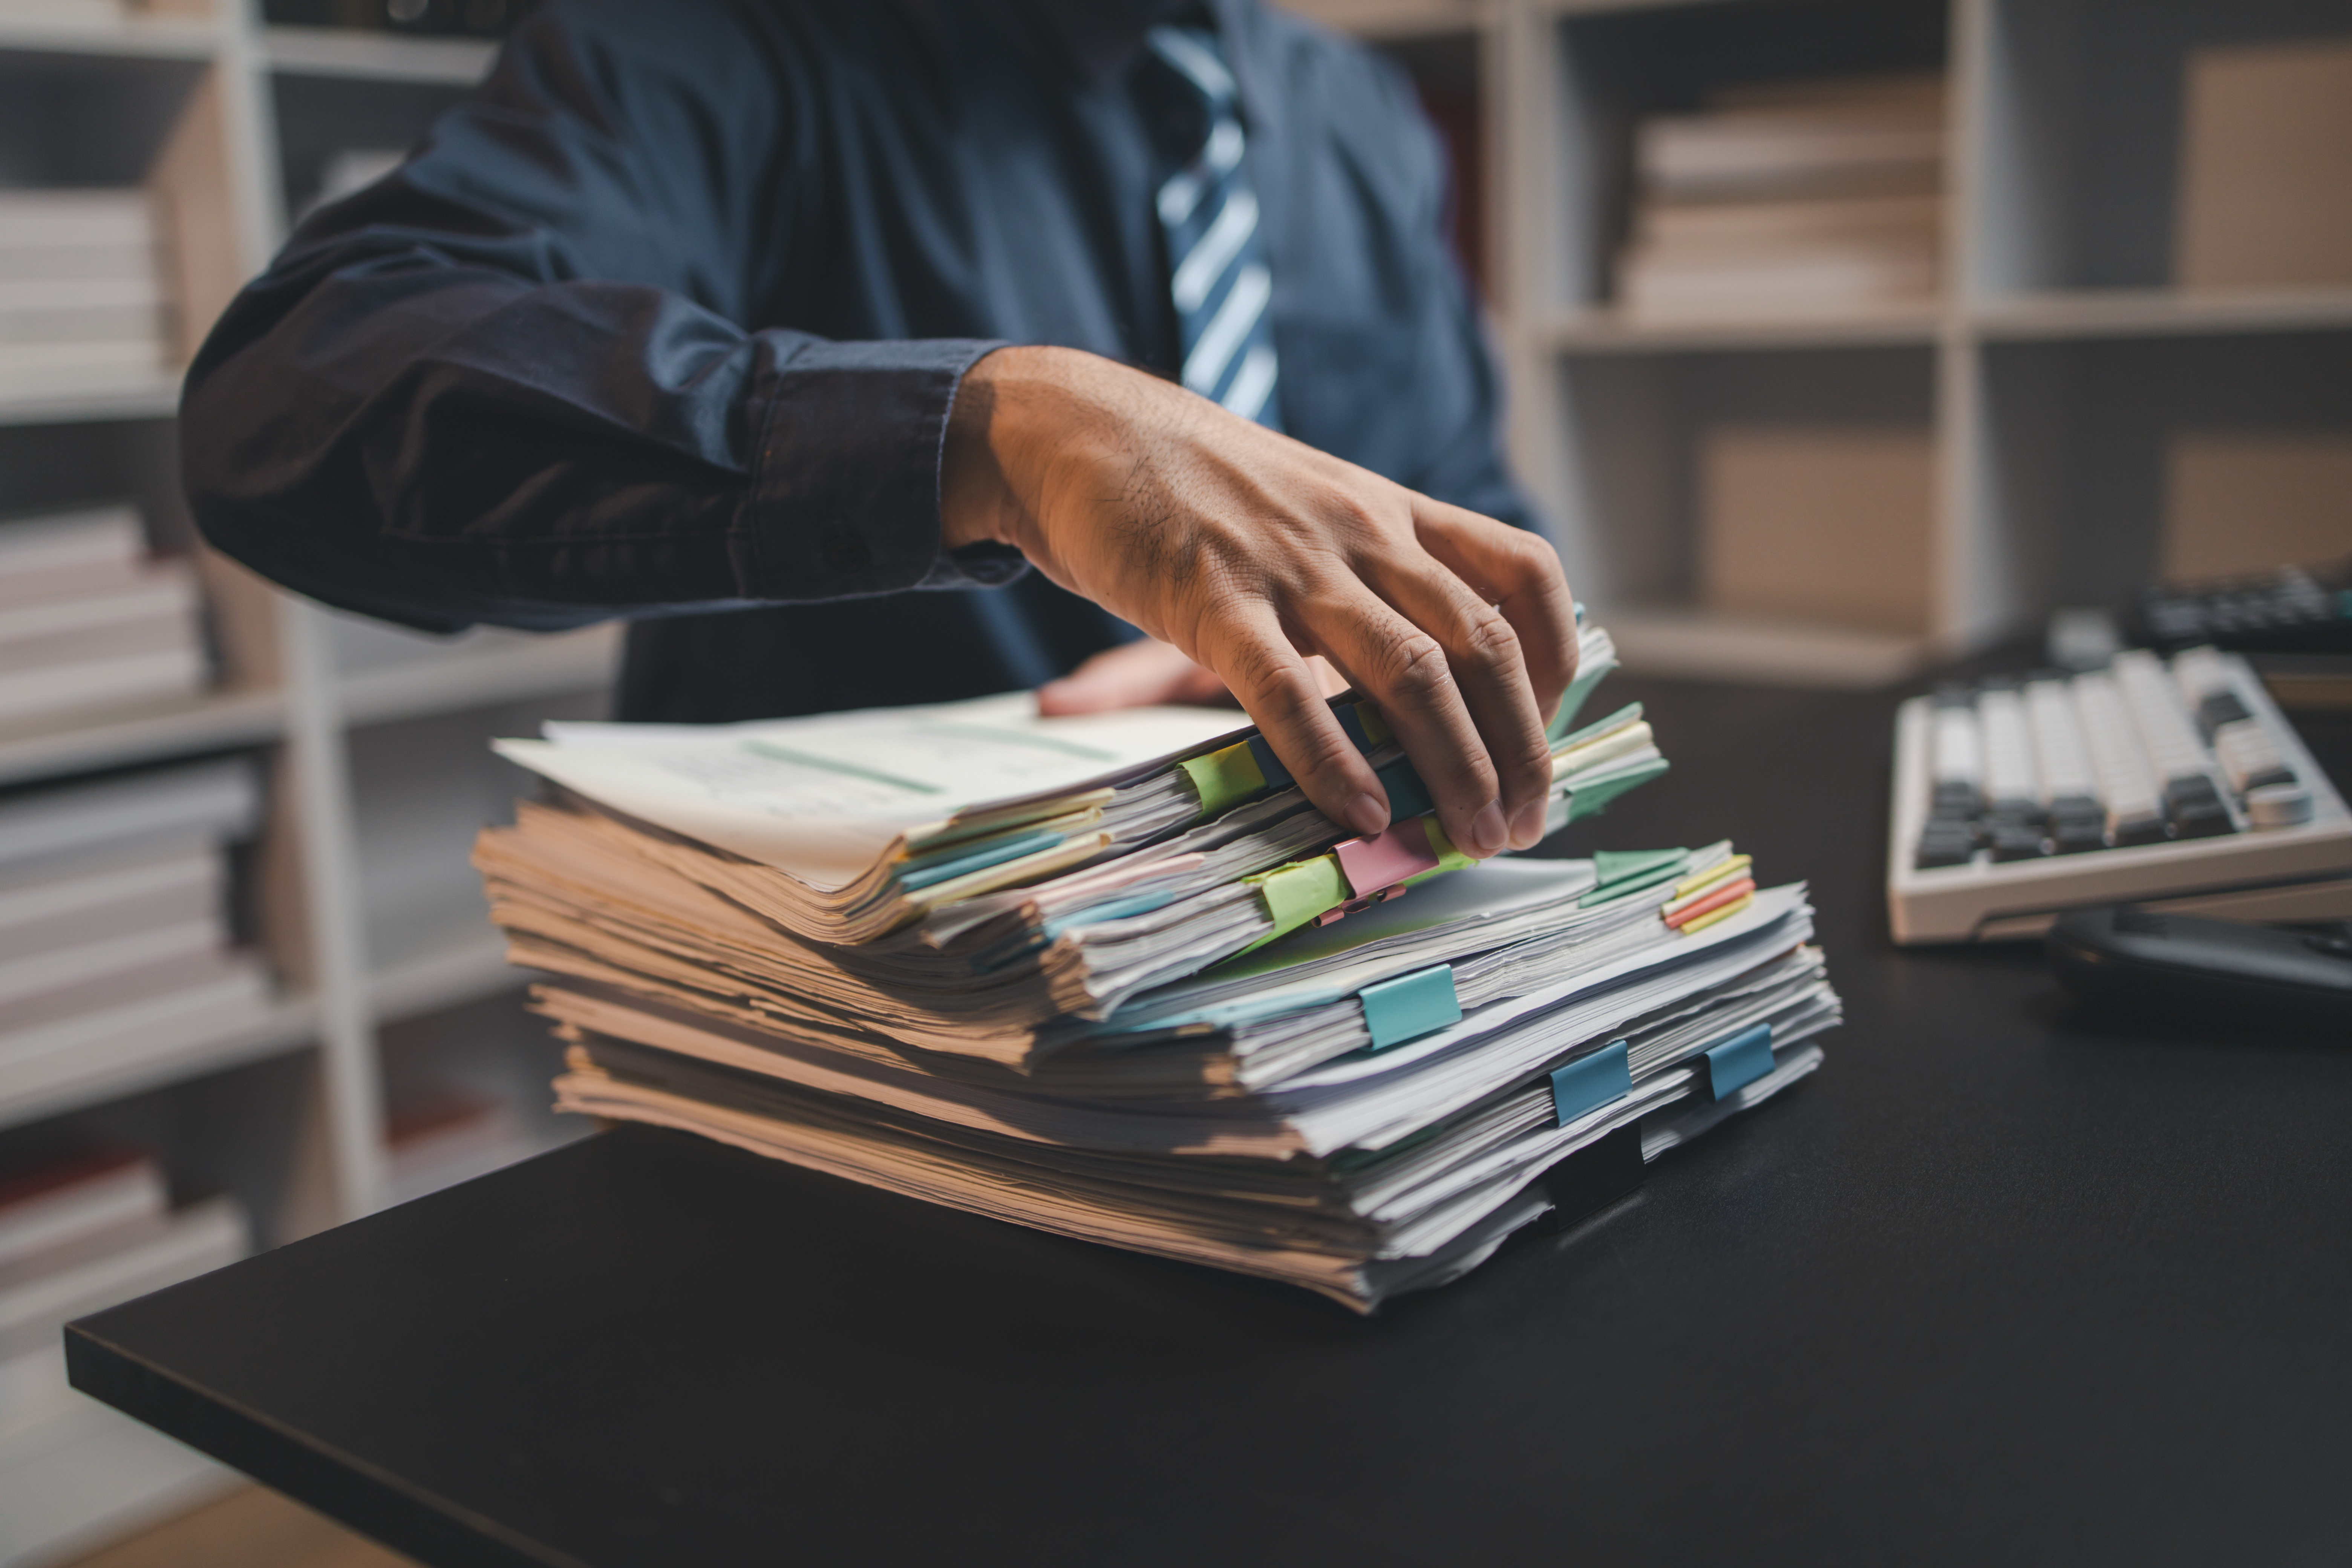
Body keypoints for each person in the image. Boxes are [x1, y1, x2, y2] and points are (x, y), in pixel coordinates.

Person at [182, 0, 1575, 860]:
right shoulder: (715, 34)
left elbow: (1471, 523)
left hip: (1308, 946)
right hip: (869, 1057)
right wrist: (990, 434)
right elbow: (291, 402)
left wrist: (1345, 653)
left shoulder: (1352, 111)